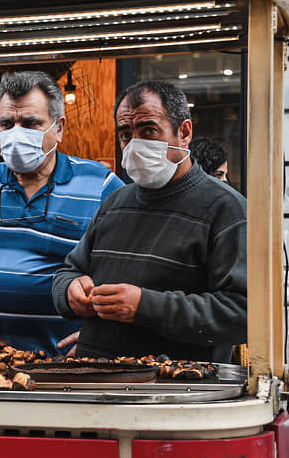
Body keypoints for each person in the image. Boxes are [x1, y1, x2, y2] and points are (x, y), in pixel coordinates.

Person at [0, 70, 124, 355]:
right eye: (7, 123)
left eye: (30, 123)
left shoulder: (100, 184)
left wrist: (103, 334)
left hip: (68, 367)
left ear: (59, 128)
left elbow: (140, 263)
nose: (17, 133)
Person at [52, 80, 246, 362]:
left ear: (184, 132)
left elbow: (242, 313)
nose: (135, 145)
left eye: (149, 130)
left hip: (174, 390)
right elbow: (69, 271)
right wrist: (69, 291)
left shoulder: (226, 210)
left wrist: (145, 306)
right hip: (97, 382)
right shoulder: (114, 203)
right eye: (126, 134)